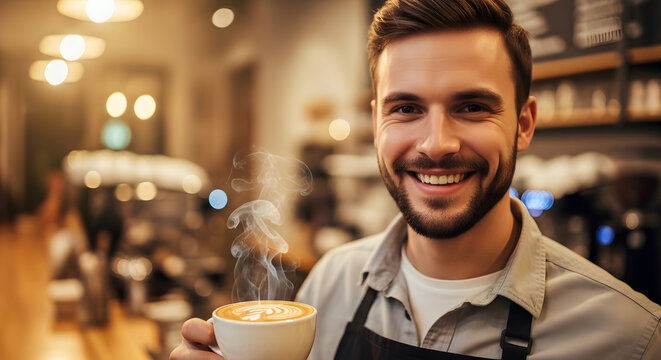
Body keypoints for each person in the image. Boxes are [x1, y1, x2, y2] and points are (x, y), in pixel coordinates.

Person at [170, 0, 661, 359]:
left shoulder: (629, 338)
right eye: (405, 108)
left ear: (524, 124)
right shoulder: (332, 285)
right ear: (377, 122)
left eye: (471, 107)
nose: (435, 144)